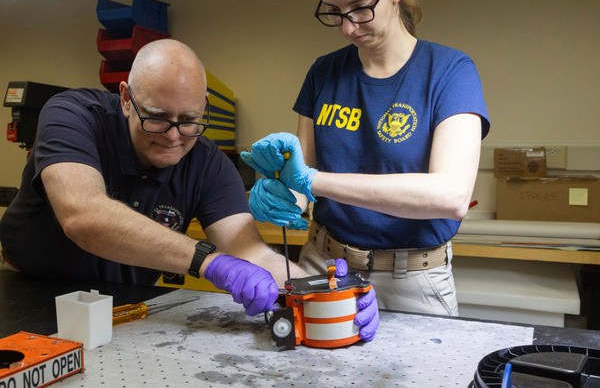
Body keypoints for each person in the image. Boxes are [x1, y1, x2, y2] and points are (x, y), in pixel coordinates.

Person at [0, 39, 380, 339]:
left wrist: (333, 295)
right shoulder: (72, 116)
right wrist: (208, 261)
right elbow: (84, 216)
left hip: (126, 305)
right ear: (126, 99)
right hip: (31, 292)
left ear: (205, 107)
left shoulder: (207, 162)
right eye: (158, 118)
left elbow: (250, 252)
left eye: (189, 120)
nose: (173, 136)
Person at [241, 0, 490, 316]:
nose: (347, 27)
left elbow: (451, 196)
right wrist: (285, 195)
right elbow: (304, 176)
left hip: (411, 281)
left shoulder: (450, 71)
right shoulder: (324, 72)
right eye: (334, 12)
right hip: (322, 265)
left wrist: (314, 181)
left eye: (360, 8)